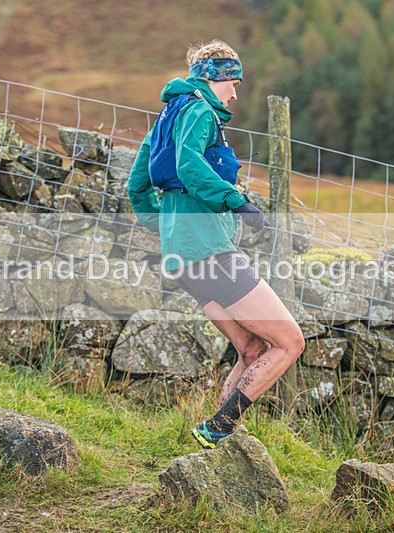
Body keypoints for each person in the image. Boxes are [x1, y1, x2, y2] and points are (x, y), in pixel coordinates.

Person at [127, 40, 305, 449]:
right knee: (290, 341)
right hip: (210, 250)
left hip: (182, 257)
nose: (235, 95)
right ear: (216, 77)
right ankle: (218, 427)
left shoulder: (168, 116)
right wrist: (236, 201)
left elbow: (138, 185)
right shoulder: (201, 111)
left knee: (251, 349)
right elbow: (190, 166)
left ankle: (215, 446)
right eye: (234, 84)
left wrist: (166, 225)